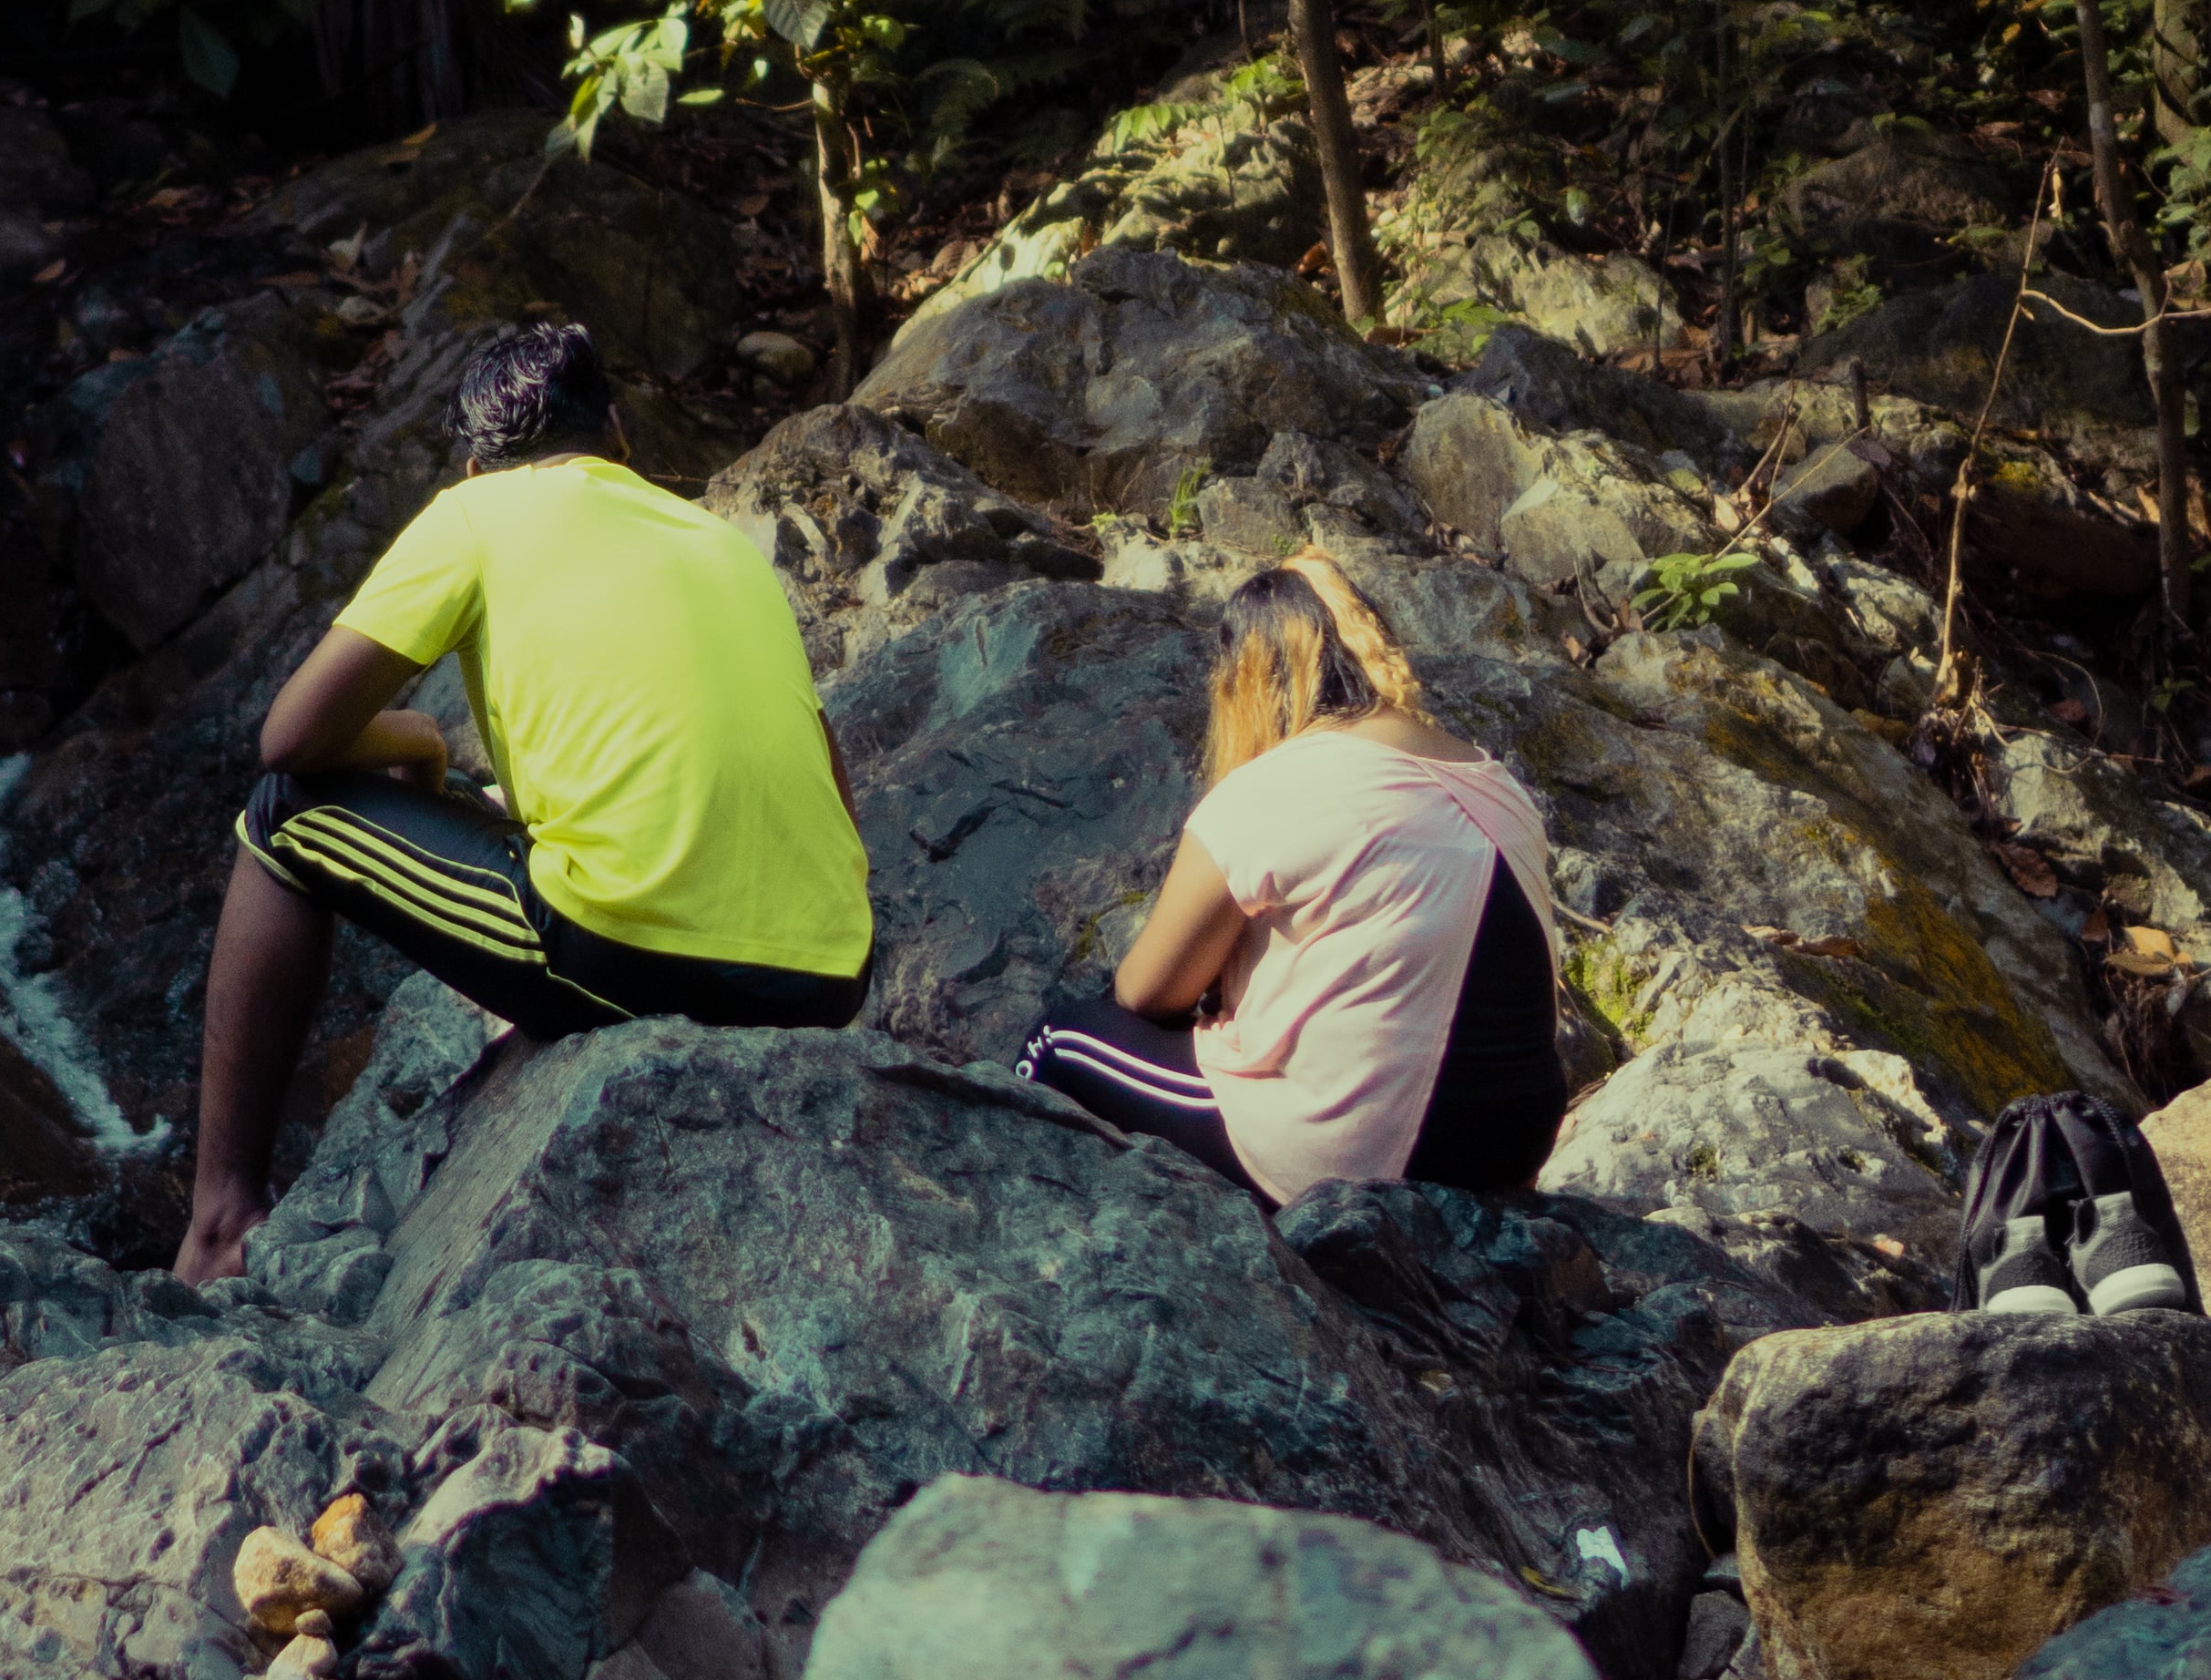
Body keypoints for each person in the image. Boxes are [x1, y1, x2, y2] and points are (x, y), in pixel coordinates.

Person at [173, 314, 873, 1281]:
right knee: (500, 813)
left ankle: (218, 1223)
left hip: (640, 957)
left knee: (283, 814)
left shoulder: (475, 513)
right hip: (831, 976)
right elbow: (829, 784)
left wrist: (418, 736)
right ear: (619, 434)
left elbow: (288, 738)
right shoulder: (722, 544)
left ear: (471, 470)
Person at [1017, 550, 1563, 1204]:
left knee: (1059, 1037)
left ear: (1250, 680)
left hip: (1356, 1154)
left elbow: (1147, 992)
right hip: (1511, 1149)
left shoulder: (1278, 784)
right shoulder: (1493, 776)